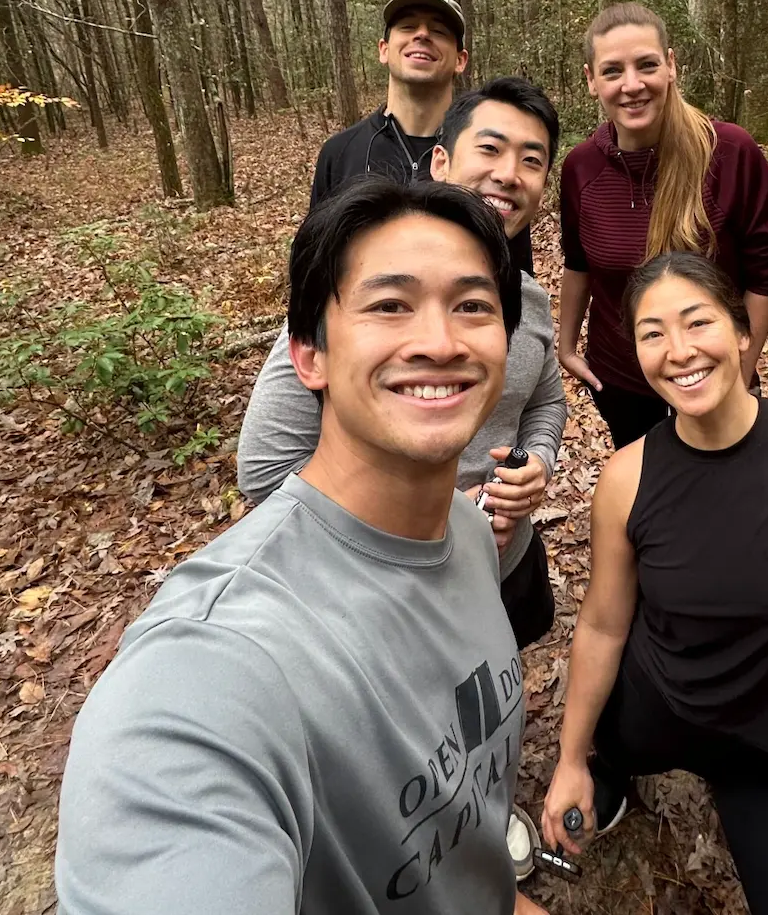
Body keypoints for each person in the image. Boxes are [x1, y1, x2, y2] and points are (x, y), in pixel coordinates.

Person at [54, 179, 548, 915]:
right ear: (308, 356)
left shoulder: (470, 533)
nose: (440, 342)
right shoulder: (207, 668)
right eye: (389, 305)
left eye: (472, 305)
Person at [539, 253, 768, 914]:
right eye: (652, 333)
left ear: (742, 332)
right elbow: (602, 623)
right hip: (652, 714)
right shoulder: (626, 479)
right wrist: (570, 758)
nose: (678, 352)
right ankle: (612, 771)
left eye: (696, 322)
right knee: (612, 739)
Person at [239, 78, 565, 653]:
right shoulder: (356, 286)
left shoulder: (529, 300)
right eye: (489, 149)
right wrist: (419, 526)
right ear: (440, 159)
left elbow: (545, 399)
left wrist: (534, 462)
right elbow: (267, 468)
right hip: (378, 597)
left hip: (506, 567)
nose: (509, 174)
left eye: (531, 160)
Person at [556, 2, 768, 448]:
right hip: (621, 380)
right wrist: (566, 347)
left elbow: (763, 275)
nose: (632, 85)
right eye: (612, 71)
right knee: (649, 496)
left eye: (646, 65)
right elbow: (578, 259)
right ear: (590, 80)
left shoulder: (729, 152)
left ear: (671, 66)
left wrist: (738, 376)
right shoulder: (582, 167)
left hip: (712, 374)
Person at [309, 0, 533, 275]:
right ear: (384, 50)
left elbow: (516, 275)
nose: (422, 34)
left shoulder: (490, 155)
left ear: (460, 60)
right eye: (408, 26)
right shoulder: (340, 152)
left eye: (439, 31)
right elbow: (313, 270)